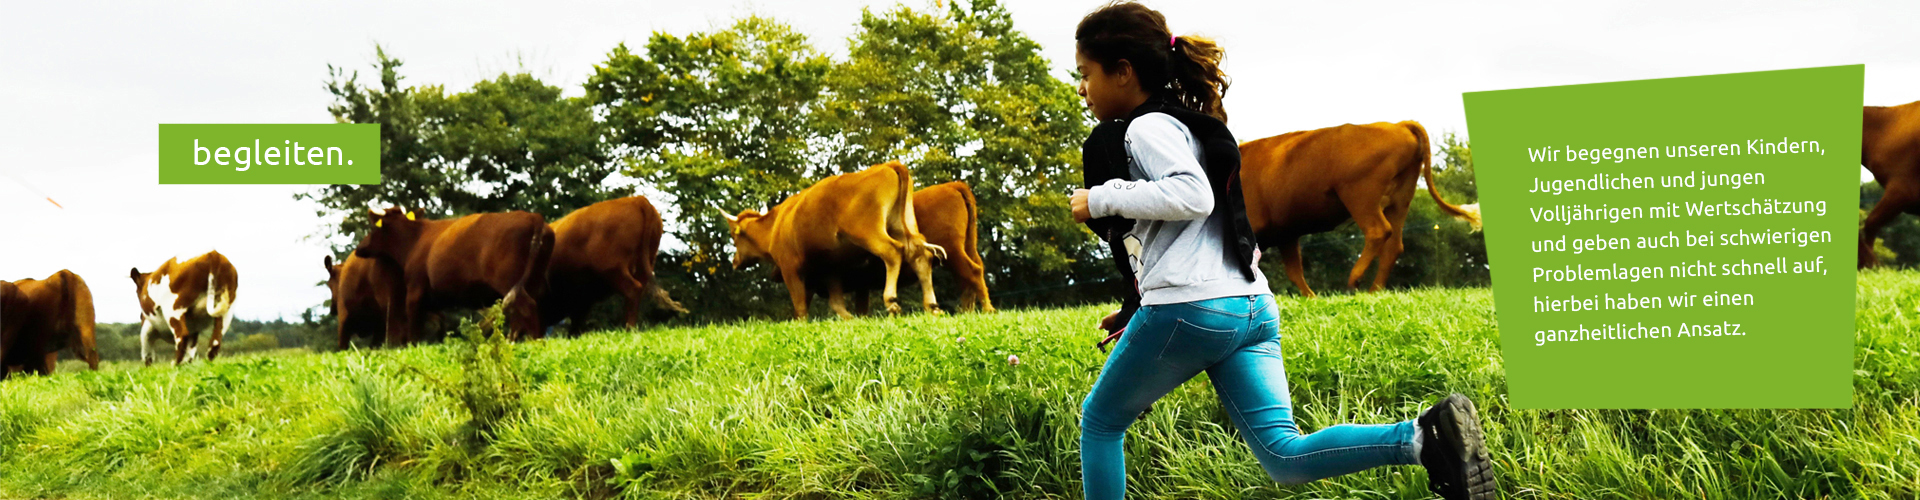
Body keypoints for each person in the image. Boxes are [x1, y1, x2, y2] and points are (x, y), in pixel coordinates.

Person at [1065, 3, 1497, 499]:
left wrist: (1099, 197)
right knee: (1283, 454)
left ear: (1123, 72)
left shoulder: (1147, 128)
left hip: (1191, 309)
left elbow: (1191, 194)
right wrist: (1132, 309)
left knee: (1100, 423)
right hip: (1249, 307)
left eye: (1086, 74)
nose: (1082, 88)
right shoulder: (1193, 129)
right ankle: (1425, 438)